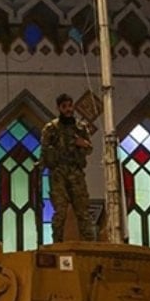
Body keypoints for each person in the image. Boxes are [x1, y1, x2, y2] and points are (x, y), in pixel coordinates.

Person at [40, 93, 96, 242]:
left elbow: (90, 148)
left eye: (70, 106)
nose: (68, 109)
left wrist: (83, 144)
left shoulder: (80, 127)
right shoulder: (51, 128)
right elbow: (44, 152)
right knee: (60, 211)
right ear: (59, 108)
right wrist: (39, 169)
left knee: (83, 211)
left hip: (76, 173)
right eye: (64, 106)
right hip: (58, 174)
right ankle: (57, 244)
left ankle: (90, 245)